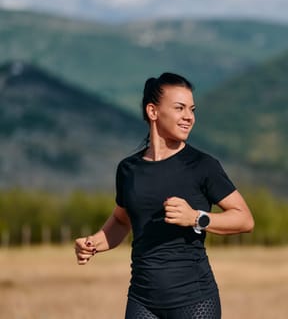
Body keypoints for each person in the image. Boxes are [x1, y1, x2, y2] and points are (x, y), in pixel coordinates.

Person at [75, 72, 255, 319]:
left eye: (192, 109)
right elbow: (121, 220)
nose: (189, 117)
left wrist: (196, 218)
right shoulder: (128, 170)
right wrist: (93, 243)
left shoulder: (202, 165)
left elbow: (244, 219)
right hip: (142, 301)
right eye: (180, 108)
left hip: (195, 302)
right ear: (153, 111)